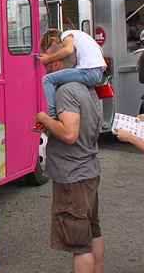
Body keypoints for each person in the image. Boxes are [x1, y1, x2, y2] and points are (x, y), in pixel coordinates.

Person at [35, 48, 104, 273]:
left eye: (48, 62)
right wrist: (51, 126)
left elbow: (69, 134)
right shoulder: (89, 88)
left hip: (72, 174)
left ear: (57, 64)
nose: (45, 67)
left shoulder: (65, 90)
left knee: (79, 244)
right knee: (93, 231)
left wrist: (45, 117)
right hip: (89, 170)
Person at [39, 28, 106, 118]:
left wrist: (48, 58)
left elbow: (68, 50)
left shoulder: (66, 35)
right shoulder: (84, 37)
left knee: (47, 79)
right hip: (98, 73)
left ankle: (52, 115)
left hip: (88, 71)